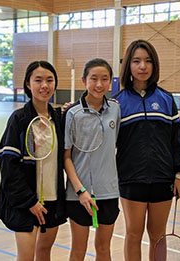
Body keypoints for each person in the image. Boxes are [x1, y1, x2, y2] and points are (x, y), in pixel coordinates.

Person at [112, 39, 180, 261]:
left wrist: (179, 174)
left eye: (147, 61)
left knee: (158, 236)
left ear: (154, 65)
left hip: (163, 179)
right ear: (129, 65)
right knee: (133, 234)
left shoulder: (166, 100)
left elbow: (177, 140)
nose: (142, 66)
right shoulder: (117, 103)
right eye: (136, 61)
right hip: (130, 178)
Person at [0, 61, 66, 261]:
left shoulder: (59, 119)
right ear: (28, 84)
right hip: (25, 203)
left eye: (49, 80)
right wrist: (29, 202)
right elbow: (8, 165)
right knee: (26, 256)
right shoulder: (19, 119)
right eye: (38, 80)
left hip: (52, 199)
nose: (45, 85)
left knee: (44, 253)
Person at [63, 58, 120, 261]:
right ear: (83, 80)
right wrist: (81, 190)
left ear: (111, 81)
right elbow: (66, 157)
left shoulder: (115, 109)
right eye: (93, 78)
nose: (99, 84)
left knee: (104, 249)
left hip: (108, 192)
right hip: (78, 194)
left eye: (105, 79)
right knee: (78, 250)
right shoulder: (72, 113)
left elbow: (116, 145)